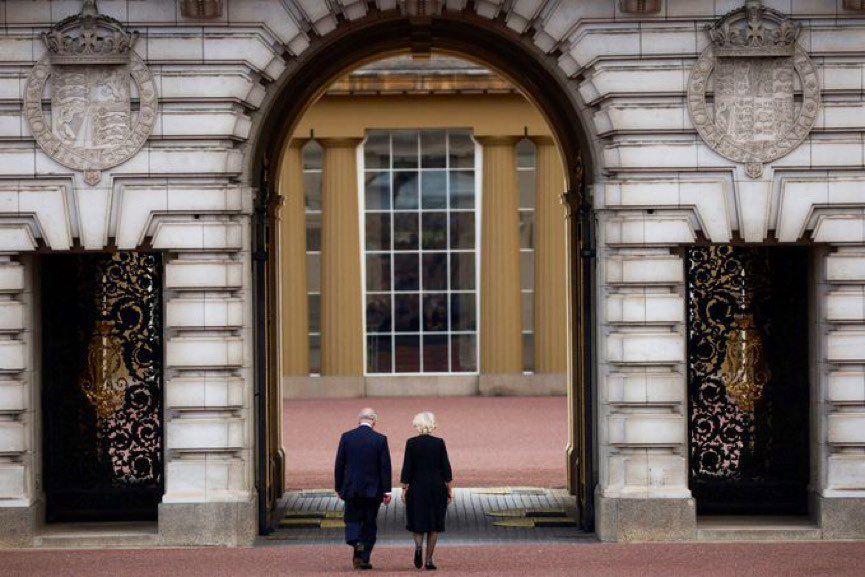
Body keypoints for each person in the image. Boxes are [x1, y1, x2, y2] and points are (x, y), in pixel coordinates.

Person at [335, 408, 392, 570]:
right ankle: (364, 557)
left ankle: (357, 544)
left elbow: (340, 464)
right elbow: (385, 467)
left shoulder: (347, 437)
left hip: (352, 488)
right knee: (369, 523)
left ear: (359, 420)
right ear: (374, 421)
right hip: (373, 490)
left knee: (352, 520)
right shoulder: (380, 439)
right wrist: (386, 490)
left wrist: (339, 487)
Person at [400, 411, 452, 571]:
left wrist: (404, 488)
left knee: (417, 522)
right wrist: (449, 489)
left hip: (417, 487)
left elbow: (407, 468)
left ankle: (418, 547)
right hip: (436, 487)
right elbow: (446, 469)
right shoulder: (439, 443)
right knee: (434, 525)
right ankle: (429, 560)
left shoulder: (411, 443)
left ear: (417, 425)